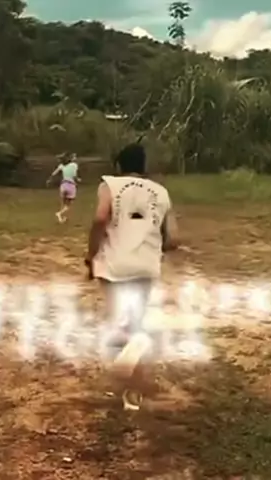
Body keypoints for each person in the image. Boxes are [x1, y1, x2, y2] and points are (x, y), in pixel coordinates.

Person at [84, 143, 178, 410]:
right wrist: (153, 246)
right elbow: (174, 238)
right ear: (143, 166)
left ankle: (128, 372)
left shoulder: (110, 185)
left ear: (118, 165)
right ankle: (132, 395)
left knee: (120, 326)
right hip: (146, 267)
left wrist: (91, 254)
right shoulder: (160, 192)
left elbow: (100, 219)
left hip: (115, 265)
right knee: (134, 323)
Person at [46, 153, 81, 223]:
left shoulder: (61, 165)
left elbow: (54, 174)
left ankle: (62, 218)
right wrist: (78, 179)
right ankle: (59, 214)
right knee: (69, 204)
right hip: (71, 185)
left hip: (63, 185)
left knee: (63, 203)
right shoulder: (74, 165)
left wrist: (49, 180)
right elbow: (74, 176)